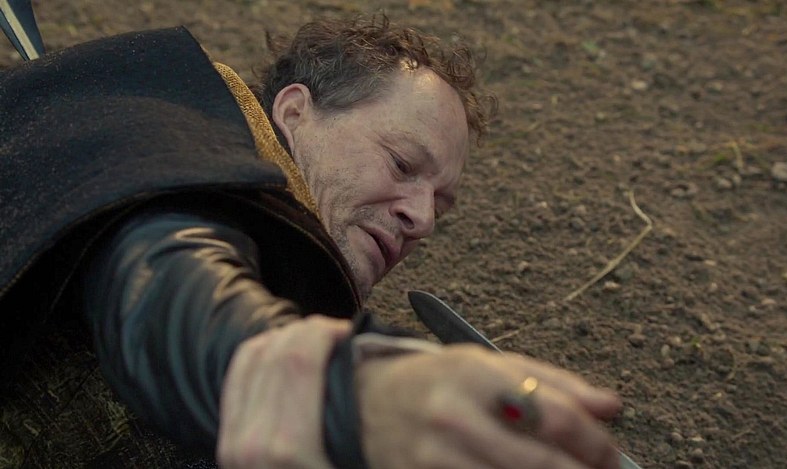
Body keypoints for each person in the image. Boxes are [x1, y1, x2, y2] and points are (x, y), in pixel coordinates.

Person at [0, 14, 624, 468]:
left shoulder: (278, 269)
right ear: (295, 112)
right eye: (402, 164)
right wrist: (352, 395)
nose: (422, 219)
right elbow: (166, 291)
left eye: (440, 203)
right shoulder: (168, 153)